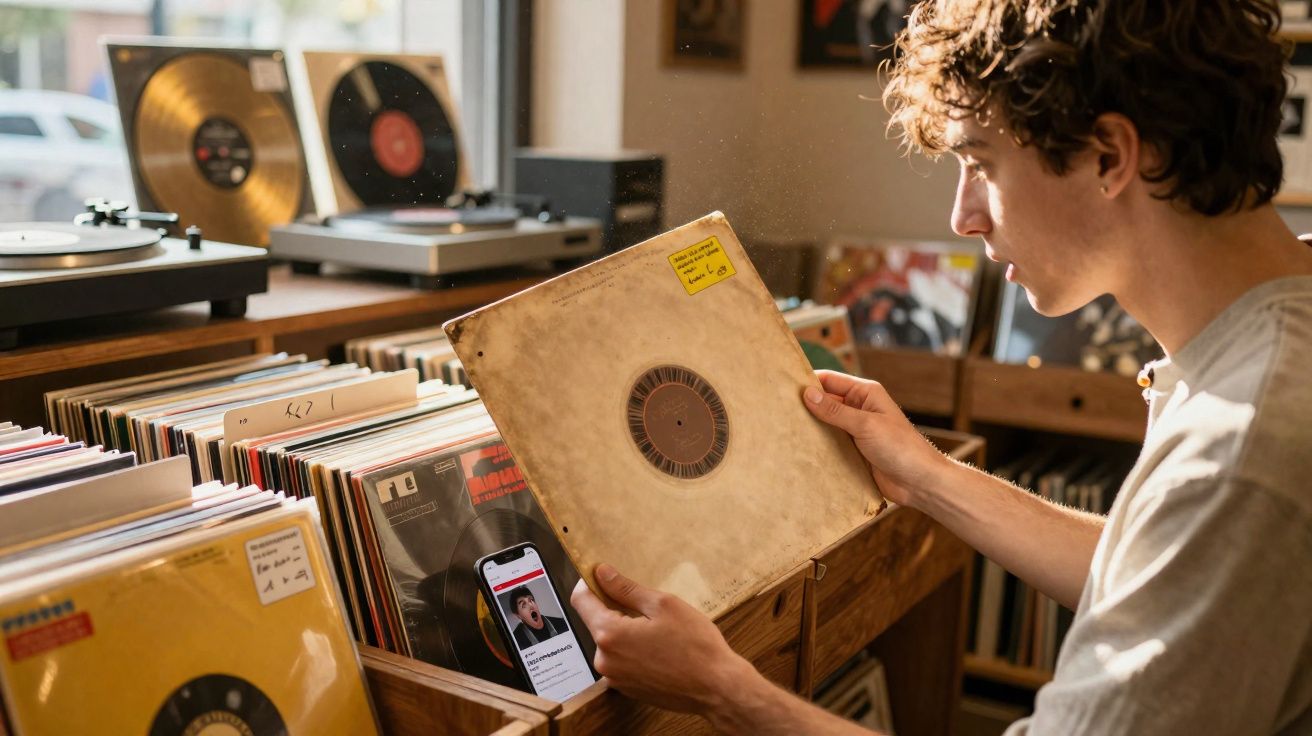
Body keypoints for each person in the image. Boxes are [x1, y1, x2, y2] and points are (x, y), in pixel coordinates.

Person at [570, 1, 1312, 733]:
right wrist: (925, 474)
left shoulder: (1240, 449)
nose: (963, 217)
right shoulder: (1277, 330)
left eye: (980, 164)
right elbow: (1161, 574)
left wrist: (721, 688)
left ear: (1110, 156)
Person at [506, 586, 570, 649]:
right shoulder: (516, 641)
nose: (531, 606)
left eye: (531, 600)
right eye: (523, 605)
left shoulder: (562, 623)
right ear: (518, 615)